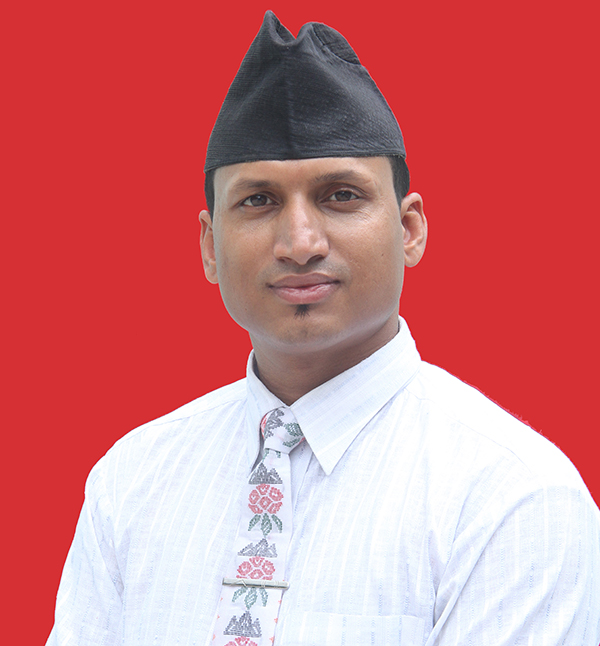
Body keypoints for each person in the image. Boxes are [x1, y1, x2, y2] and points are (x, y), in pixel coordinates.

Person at [46, 11, 600, 646]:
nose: (300, 243)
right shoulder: (133, 480)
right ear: (208, 245)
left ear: (410, 229)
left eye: (340, 196)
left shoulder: (512, 498)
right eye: (258, 200)